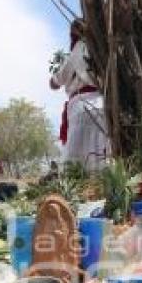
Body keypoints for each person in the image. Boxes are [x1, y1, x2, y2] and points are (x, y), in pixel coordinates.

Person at [50, 19, 109, 172]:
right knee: (101, 154)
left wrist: (55, 78)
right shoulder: (103, 51)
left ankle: (78, 189)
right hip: (103, 105)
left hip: (81, 106)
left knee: (76, 160)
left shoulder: (76, 50)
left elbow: (55, 82)